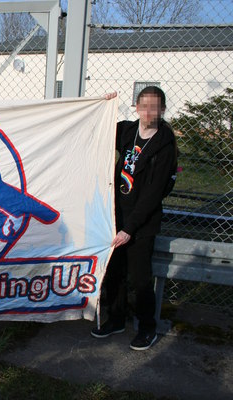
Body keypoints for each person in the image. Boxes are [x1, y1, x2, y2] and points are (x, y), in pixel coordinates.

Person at [91, 86, 177, 351]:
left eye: (155, 107)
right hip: (116, 216)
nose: (149, 111)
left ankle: (146, 327)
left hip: (142, 223)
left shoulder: (165, 144)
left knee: (140, 278)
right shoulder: (128, 131)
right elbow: (97, 126)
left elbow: (153, 194)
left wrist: (130, 228)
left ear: (162, 110)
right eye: (144, 106)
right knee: (114, 273)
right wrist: (101, 104)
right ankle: (116, 319)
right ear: (137, 107)